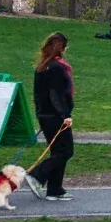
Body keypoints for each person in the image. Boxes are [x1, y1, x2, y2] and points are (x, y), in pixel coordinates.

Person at [26, 32, 75, 201]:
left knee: (57, 151)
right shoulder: (56, 68)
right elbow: (56, 94)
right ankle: (36, 175)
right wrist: (65, 114)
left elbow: (39, 94)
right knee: (66, 150)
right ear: (61, 47)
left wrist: (41, 113)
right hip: (56, 115)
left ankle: (55, 189)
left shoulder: (42, 67)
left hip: (45, 114)